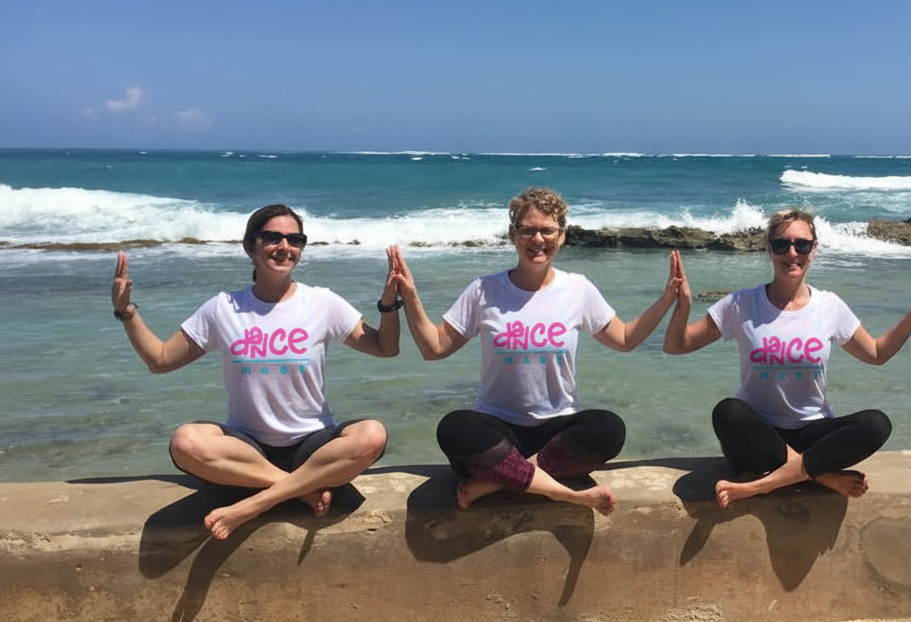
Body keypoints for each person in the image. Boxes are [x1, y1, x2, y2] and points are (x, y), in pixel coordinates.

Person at [111, 204, 400, 540]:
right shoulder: (224, 307)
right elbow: (160, 359)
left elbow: (385, 347)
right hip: (248, 450)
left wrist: (390, 304)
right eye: (272, 237)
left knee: (372, 434)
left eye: (295, 239)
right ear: (250, 245)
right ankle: (296, 489)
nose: (285, 246)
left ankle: (256, 501)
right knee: (185, 442)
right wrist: (126, 312)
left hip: (312, 445)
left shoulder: (322, 302)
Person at [392, 187, 680, 515]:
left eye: (547, 230)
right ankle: (563, 492)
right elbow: (435, 347)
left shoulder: (578, 289)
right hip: (498, 433)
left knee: (608, 428)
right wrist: (411, 297)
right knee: (454, 428)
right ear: (513, 235)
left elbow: (625, 339)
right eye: (528, 230)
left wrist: (665, 301)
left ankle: (499, 481)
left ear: (562, 236)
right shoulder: (484, 290)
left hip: (556, 433)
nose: (538, 239)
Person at [663, 208, 911, 508]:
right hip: (758, 435)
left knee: (876, 424)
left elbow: (876, 353)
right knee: (727, 412)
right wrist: (683, 305)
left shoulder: (829, 305)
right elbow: (678, 344)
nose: (791, 253)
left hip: (813, 433)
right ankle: (817, 475)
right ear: (769, 249)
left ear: (814, 248)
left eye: (802, 244)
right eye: (781, 244)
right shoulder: (743, 303)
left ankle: (764, 484)